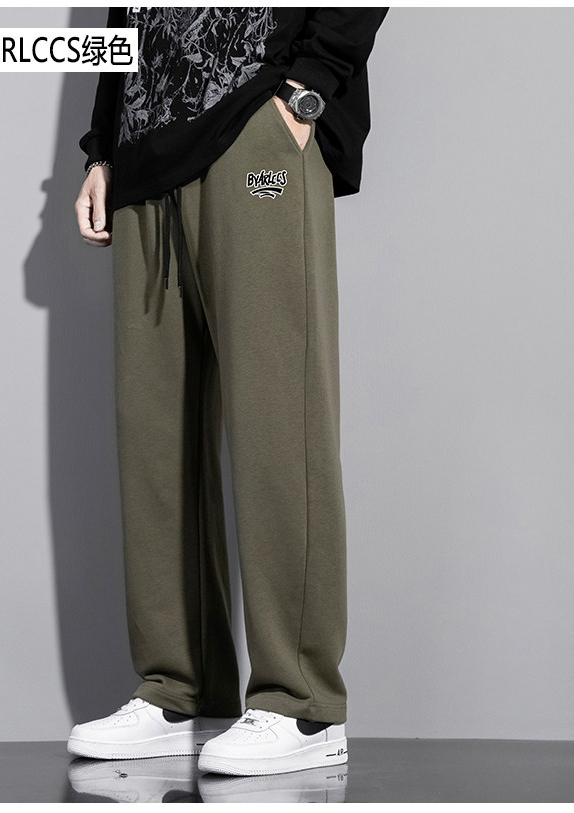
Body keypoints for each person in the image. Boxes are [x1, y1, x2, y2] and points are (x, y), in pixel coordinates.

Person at [68, 7, 388, 777]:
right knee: (156, 432)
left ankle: (302, 703)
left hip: (255, 120)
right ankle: (178, 690)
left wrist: (308, 88)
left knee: (279, 415)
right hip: (144, 147)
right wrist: (103, 145)